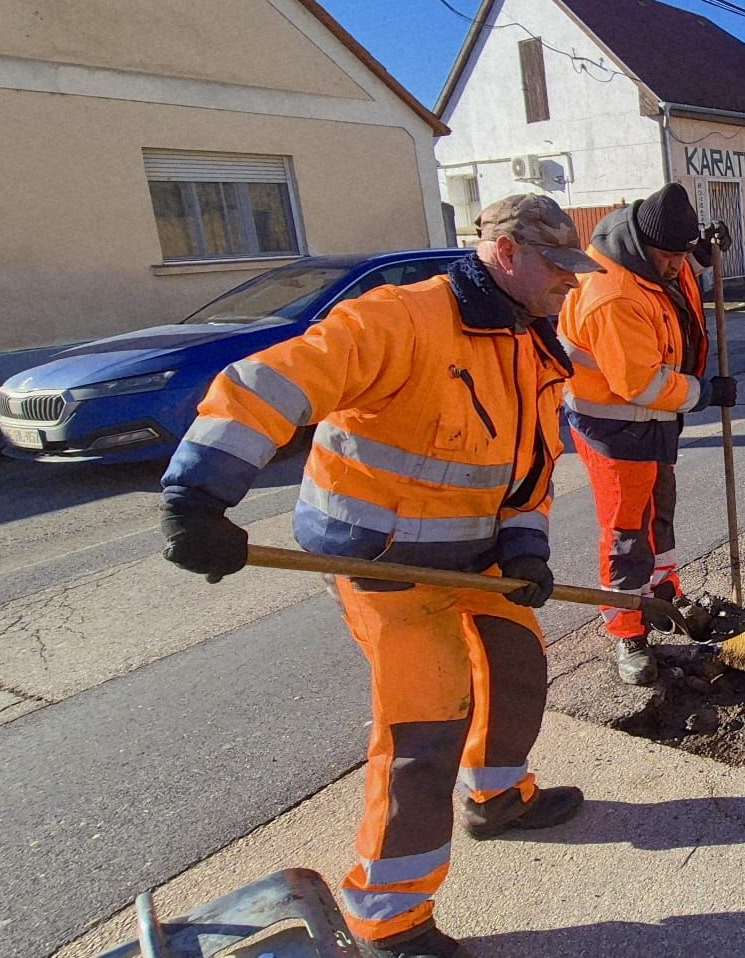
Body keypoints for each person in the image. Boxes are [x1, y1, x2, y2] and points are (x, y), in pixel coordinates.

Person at [158, 194, 602, 957]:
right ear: (504, 253)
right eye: (557, 267)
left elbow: (531, 471)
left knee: (518, 662)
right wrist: (199, 496)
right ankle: (387, 918)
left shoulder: (535, 346)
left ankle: (497, 797)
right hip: (382, 561)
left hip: (480, 560)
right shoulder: (400, 319)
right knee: (424, 730)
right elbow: (269, 383)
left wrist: (526, 548)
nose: (570, 282)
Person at [558, 183, 734, 686]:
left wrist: (701, 256)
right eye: (670, 258)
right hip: (614, 429)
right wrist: (704, 392)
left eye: (682, 257)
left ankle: (662, 596)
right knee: (625, 533)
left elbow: (670, 285)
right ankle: (627, 631)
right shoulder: (610, 295)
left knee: (659, 515)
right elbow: (641, 383)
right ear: (641, 246)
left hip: (652, 424)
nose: (678, 268)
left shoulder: (653, 261)